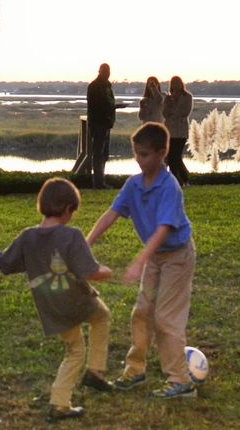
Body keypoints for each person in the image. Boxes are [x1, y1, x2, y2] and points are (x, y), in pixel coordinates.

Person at [0, 178, 114, 423]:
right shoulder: (71, 235)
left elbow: (5, 264)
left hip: (52, 308)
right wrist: (106, 272)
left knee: (74, 350)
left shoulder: (27, 237)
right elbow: (88, 272)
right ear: (68, 209)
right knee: (100, 318)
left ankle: (65, 399)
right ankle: (92, 375)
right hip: (79, 301)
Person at [86, 122, 197, 399]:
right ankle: (135, 370)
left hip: (177, 257)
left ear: (162, 153)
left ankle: (180, 380)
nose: (139, 159)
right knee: (142, 312)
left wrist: (139, 261)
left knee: (165, 317)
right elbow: (112, 213)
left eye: (145, 154)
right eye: (136, 153)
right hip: (155, 257)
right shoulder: (133, 185)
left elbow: (163, 230)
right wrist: (87, 242)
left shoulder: (169, 186)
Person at [86, 63, 117, 189]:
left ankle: (101, 181)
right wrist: (113, 107)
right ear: (100, 71)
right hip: (99, 123)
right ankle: (98, 182)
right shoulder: (94, 86)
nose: (107, 73)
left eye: (108, 71)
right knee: (98, 153)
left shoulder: (107, 86)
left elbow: (108, 103)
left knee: (103, 153)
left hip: (106, 122)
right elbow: (98, 106)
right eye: (105, 71)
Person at [163, 76, 193, 186]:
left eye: (177, 83)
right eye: (173, 84)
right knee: (172, 157)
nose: (175, 86)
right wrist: (170, 104)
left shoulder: (187, 97)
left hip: (181, 132)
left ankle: (180, 180)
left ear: (181, 84)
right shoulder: (168, 98)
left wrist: (174, 108)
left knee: (175, 156)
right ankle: (181, 180)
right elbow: (165, 114)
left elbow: (185, 112)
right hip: (169, 131)